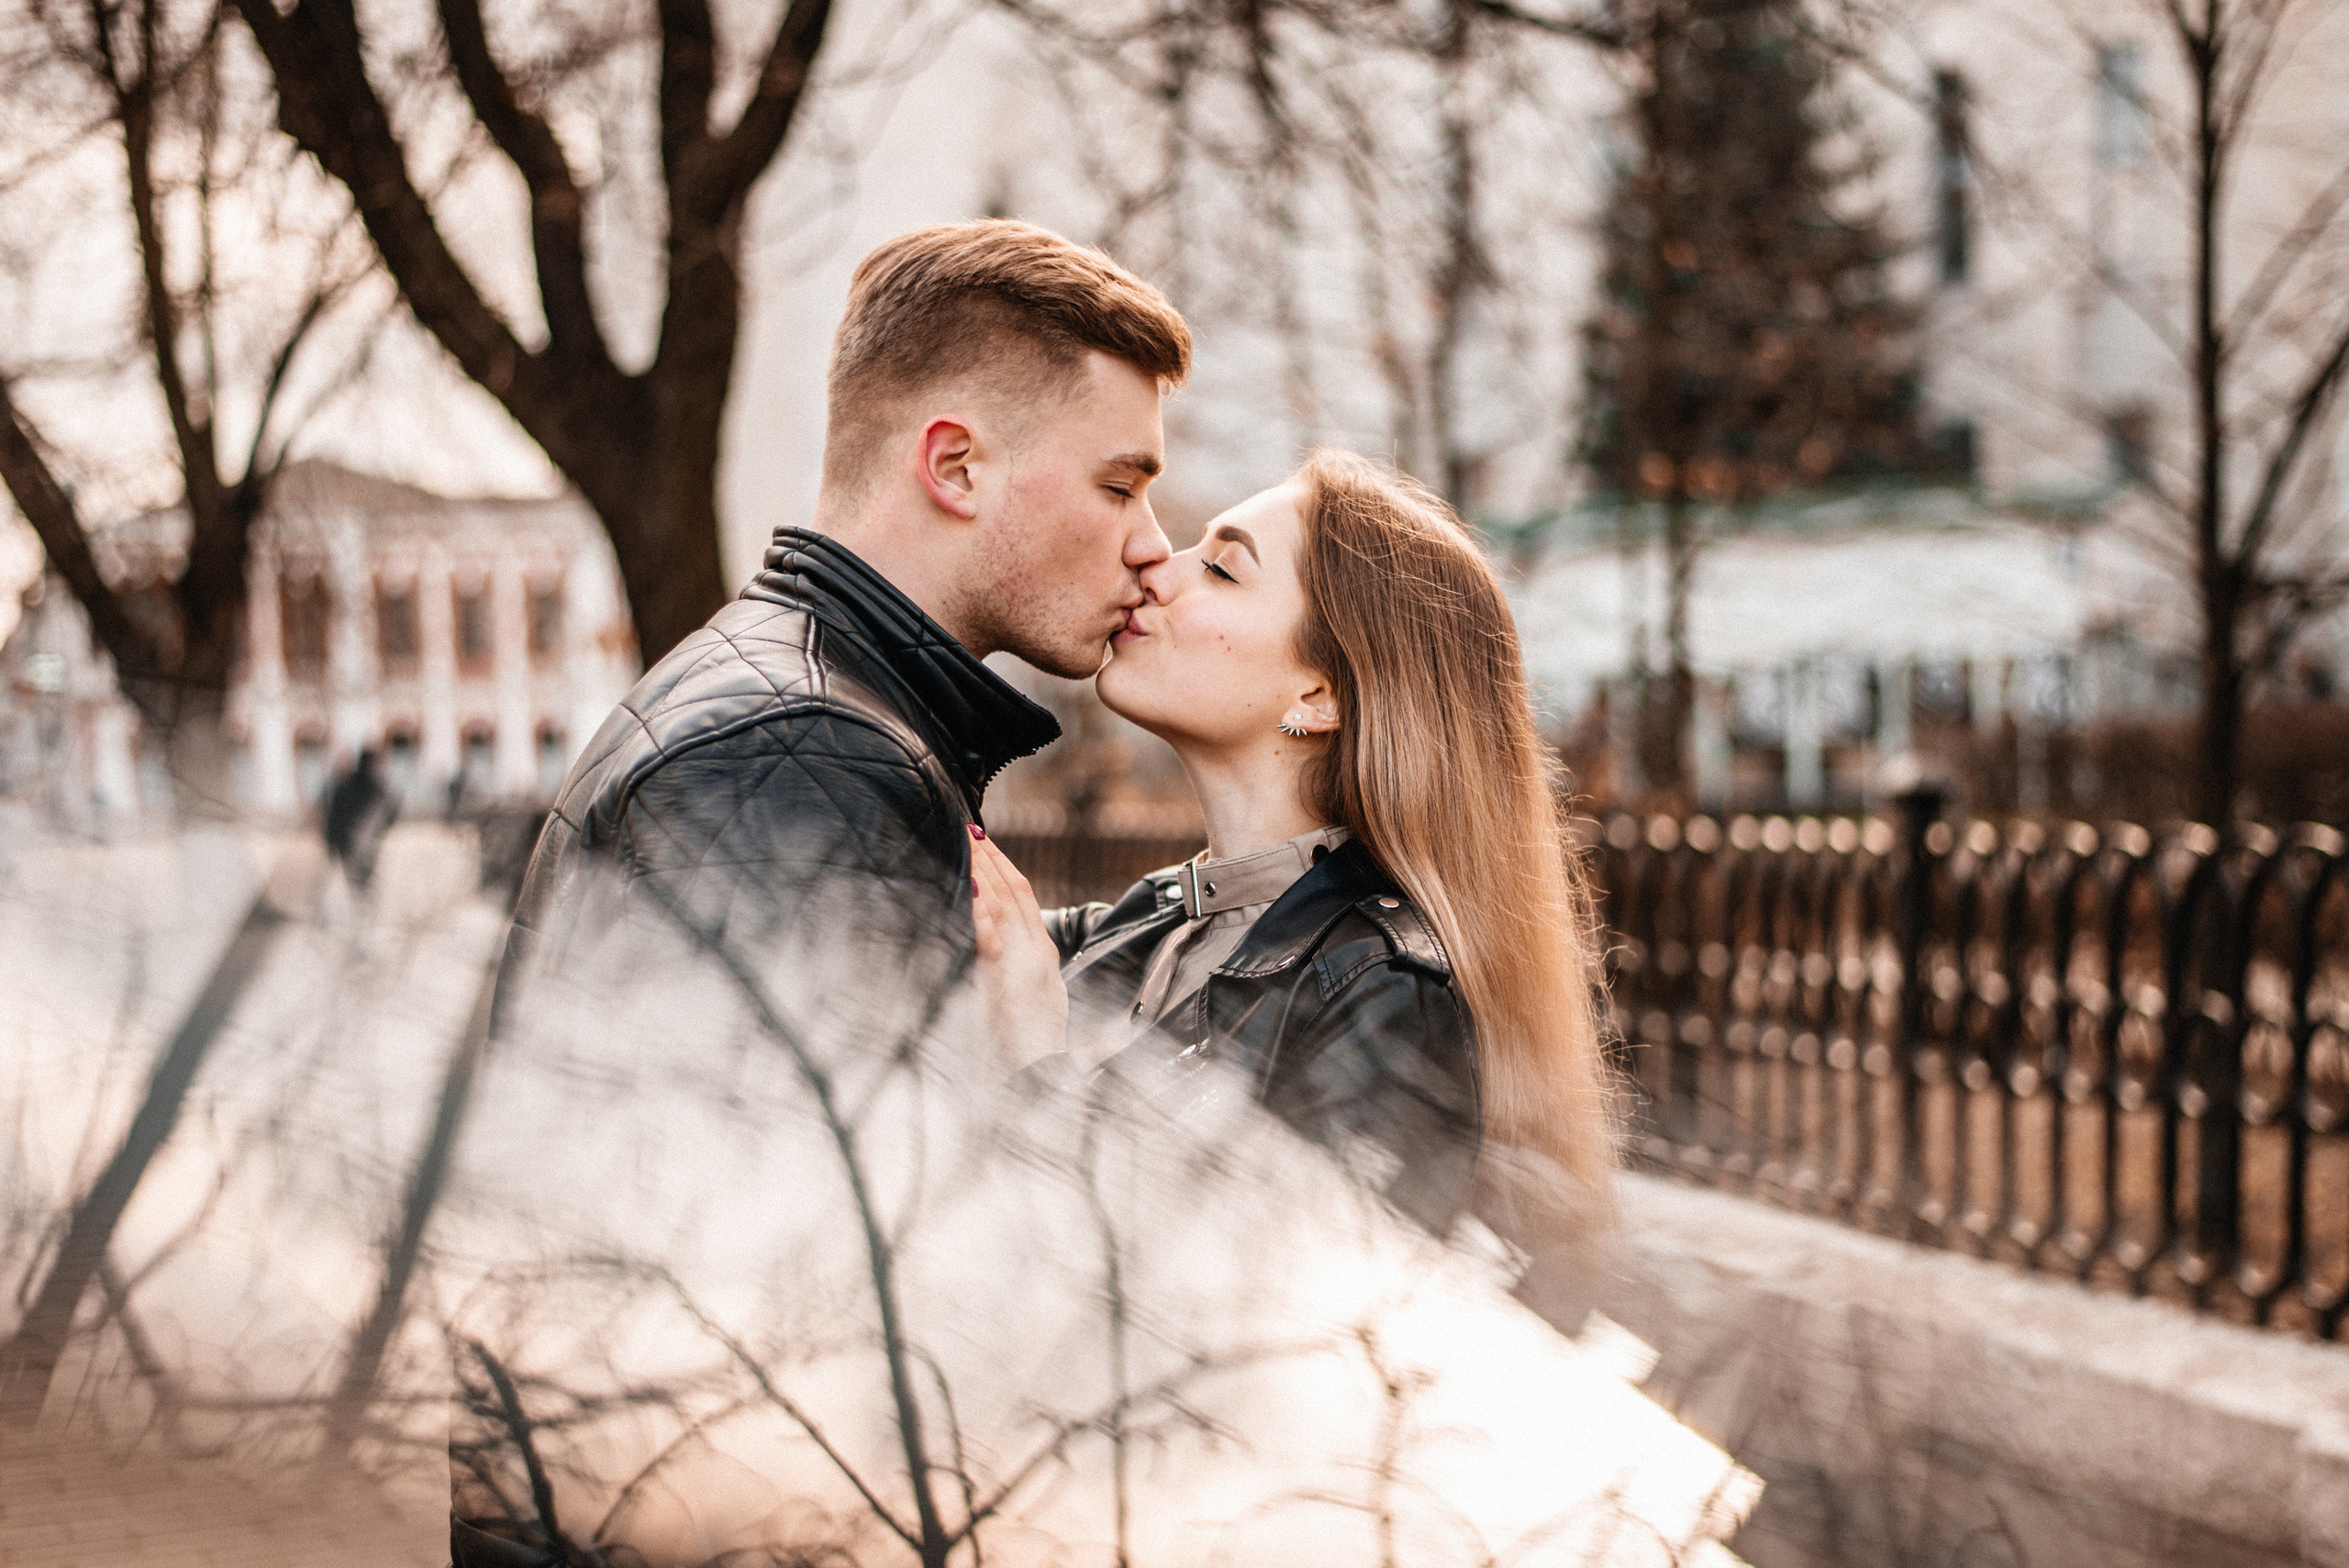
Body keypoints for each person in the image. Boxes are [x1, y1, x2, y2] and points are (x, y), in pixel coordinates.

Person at [489, 218, 1191, 1018]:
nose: (1154, 545)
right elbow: (821, 1145)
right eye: (1119, 488)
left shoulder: (804, 717)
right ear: (957, 469)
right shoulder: (802, 758)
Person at [971, 450, 1616, 1240]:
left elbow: (1275, 1339)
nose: (1154, 566)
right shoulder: (1162, 920)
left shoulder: (1385, 994)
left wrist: (1036, 1069)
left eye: (1220, 568)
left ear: (1320, 695)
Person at [323, 746, 397, 892]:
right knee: (366, 891)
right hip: (364, 848)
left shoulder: (347, 788)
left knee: (357, 891)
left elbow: (334, 821)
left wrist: (331, 846)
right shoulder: (377, 788)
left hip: (351, 848)